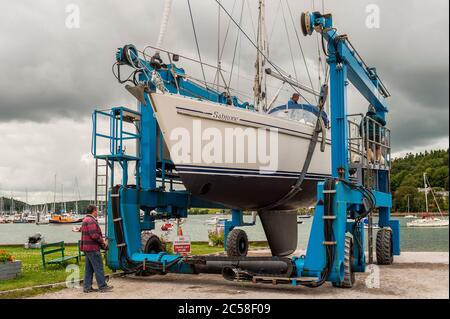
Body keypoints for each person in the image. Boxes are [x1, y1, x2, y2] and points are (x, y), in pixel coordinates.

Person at [80, 205, 113, 293]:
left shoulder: (85, 219)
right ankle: (102, 286)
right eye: (97, 211)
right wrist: (103, 243)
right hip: (93, 248)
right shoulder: (91, 220)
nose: (97, 212)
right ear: (94, 211)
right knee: (99, 267)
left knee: (89, 269)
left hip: (87, 248)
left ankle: (87, 287)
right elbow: (94, 235)